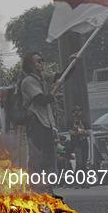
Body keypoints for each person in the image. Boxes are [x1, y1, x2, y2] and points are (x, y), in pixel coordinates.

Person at [20, 51, 77, 196]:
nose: (42, 63)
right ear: (31, 65)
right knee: (37, 160)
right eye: (38, 61)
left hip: (47, 125)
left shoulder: (43, 77)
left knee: (50, 160)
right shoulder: (28, 81)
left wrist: (71, 62)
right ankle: (36, 191)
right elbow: (42, 100)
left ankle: (48, 190)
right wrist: (56, 88)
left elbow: (61, 76)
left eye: (42, 60)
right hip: (36, 124)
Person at [67, 105, 90, 189]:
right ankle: (76, 182)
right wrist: (78, 133)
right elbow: (71, 132)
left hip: (84, 144)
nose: (79, 113)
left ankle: (84, 182)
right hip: (76, 144)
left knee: (84, 163)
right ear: (73, 113)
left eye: (80, 111)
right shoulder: (70, 122)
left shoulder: (84, 122)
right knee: (79, 163)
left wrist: (82, 132)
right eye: (77, 111)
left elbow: (88, 132)